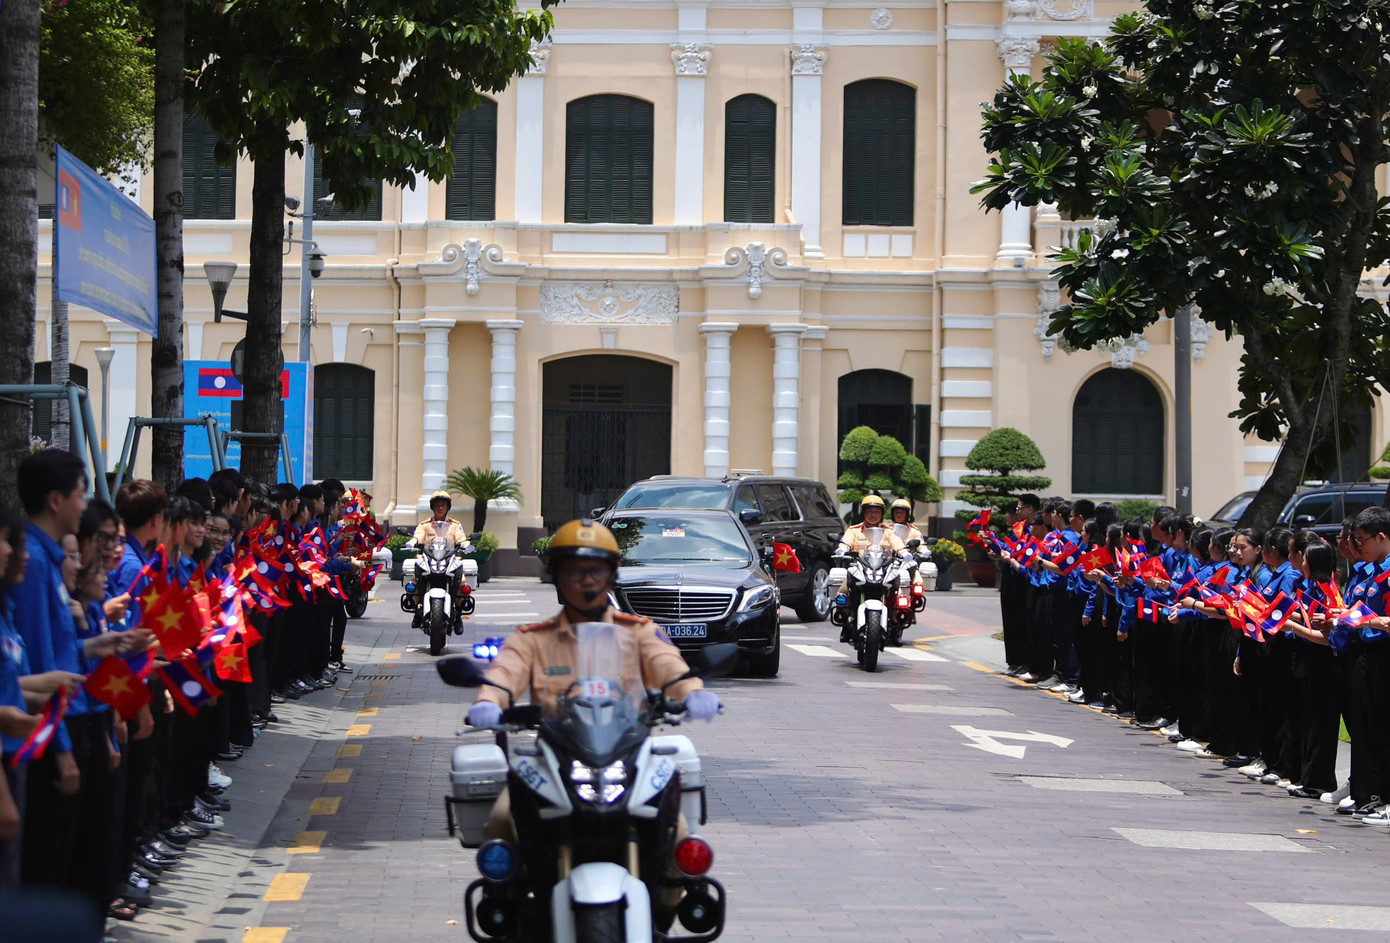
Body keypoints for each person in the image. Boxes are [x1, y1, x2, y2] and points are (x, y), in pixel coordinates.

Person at [464, 519, 718, 840]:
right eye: (575, 571)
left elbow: (667, 663)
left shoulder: (638, 632)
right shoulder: (533, 639)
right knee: (501, 824)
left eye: (597, 570)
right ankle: (505, 893)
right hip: (554, 759)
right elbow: (506, 671)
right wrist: (490, 700)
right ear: (556, 576)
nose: (587, 581)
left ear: (612, 576)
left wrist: (692, 692)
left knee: (678, 835)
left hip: (628, 755)